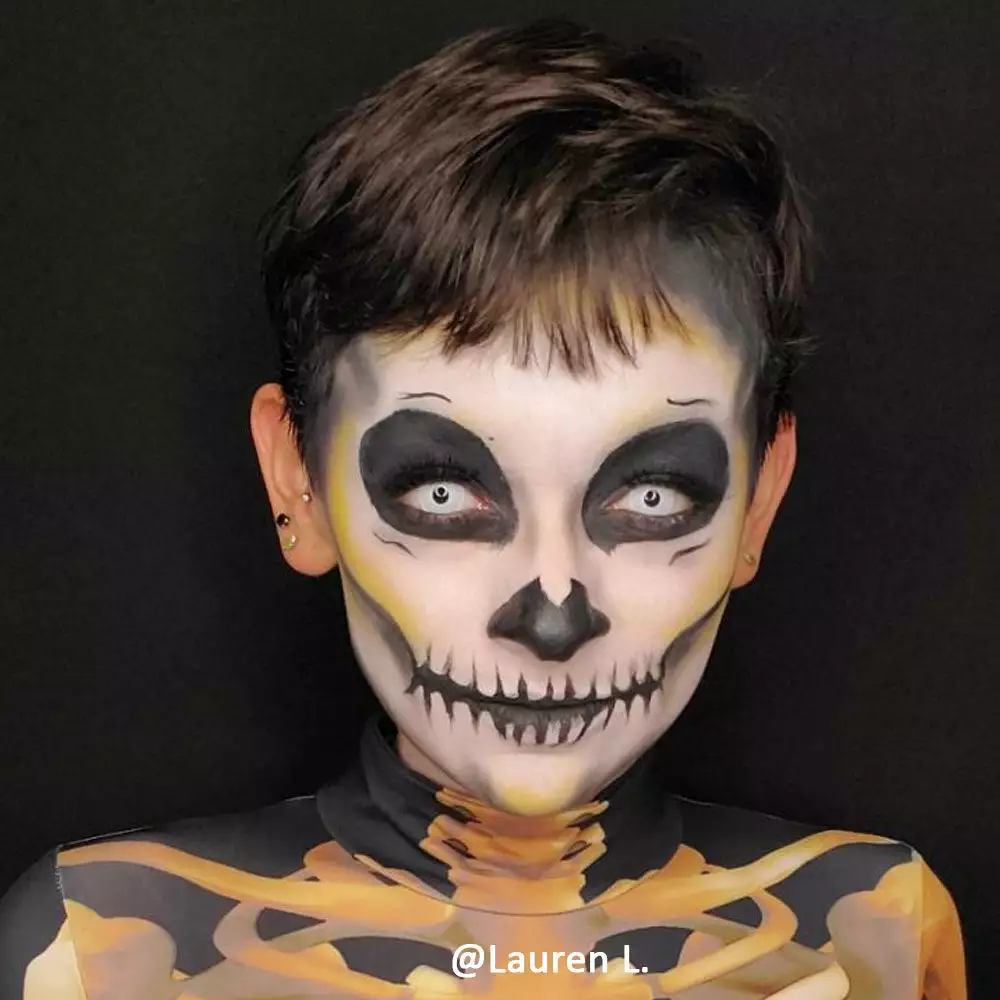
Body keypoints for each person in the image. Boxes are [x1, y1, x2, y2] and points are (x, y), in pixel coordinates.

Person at [0, 18, 966, 999]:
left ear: (758, 502)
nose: (552, 612)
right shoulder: (103, 949)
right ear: (298, 480)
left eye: (651, 494)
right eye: (443, 492)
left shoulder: (873, 935)